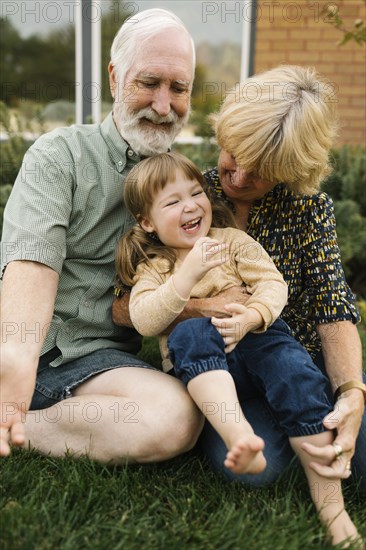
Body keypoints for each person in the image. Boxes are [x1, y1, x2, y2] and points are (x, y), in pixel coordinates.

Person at [115, 151, 360, 546]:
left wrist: (251, 317)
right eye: (173, 202)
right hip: (209, 371)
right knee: (190, 334)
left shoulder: (232, 242)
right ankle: (238, 435)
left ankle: (331, 506)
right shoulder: (155, 266)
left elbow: (272, 284)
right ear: (147, 221)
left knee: (296, 374)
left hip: (257, 339)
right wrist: (187, 275)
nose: (191, 205)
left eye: (196, 193)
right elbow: (144, 319)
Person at [0, 8, 204, 462]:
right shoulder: (60, 156)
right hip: (33, 348)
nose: (164, 105)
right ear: (114, 79)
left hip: (102, 363)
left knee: (177, 417)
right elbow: (33, 264)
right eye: (149, 83)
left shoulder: (187, 186)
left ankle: (22, 428)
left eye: (179, 88)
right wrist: (14, 361)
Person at [198, 65, 365, 490]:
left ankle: (312, 416)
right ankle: (294, 428)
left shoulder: (309, 208)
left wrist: (350, 391)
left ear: (292, 168)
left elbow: (332, 302)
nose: (237, 177)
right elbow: (129, 303)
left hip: (299, 368)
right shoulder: (190, 197)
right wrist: (210, 308)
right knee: (259, 471)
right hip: (229, 377)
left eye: (259, 171)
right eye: (233, 155)